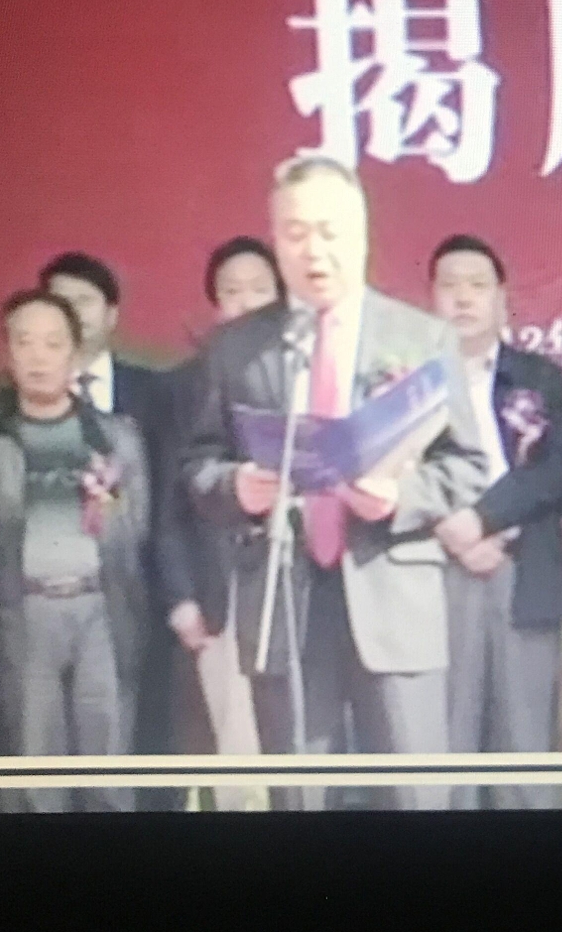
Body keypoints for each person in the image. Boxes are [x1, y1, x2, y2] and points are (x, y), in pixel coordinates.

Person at [179, 155, 487, 810]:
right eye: (295, 234)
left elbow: (467, 465)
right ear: (275, 239)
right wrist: (237, 486)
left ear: (363, 232)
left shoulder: (421, 336)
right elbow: (199, 462)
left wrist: (401, 497)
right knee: (300, 797)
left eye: (328, 231)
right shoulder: (237, 346)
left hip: (392, 594)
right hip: (285, 598)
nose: (313, 250)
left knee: (414, 797)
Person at [0, 290, 151, 812]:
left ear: (75, 355)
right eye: (25, 342)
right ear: (7, 353)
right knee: (33, 768)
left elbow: (135, 528)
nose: (38, 357)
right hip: (23, 609)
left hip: (101, 608)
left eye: (52, 343)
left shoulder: (116, 437)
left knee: (108, 765)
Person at [429, 234, 562, 809]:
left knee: (523, 751)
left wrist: (486, 519)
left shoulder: (539, 377)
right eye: (450, 285)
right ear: (431, 297)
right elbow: (398, 472)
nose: (463, 297)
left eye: (477, 285)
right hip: (440, 570)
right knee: (447, 746)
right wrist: (455, 532)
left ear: (501, 298)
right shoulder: (409, 379)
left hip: (524, 570)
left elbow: (557, 468)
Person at [40, 251, 182, 777]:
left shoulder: (157, 393)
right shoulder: (15, 400)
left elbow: (171, 492)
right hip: (48, 596)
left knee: (142, 737)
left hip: (140, 588)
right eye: (59, 302)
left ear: (112, 313)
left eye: (84, 301)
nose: (72, 313)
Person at [160, 237, 283, 810]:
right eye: (232, 291)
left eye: (260, 289)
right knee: (239, 759)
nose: (246, 302)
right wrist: (182, 595)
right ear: (215, 303)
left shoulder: (307, 370)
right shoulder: (187, 384)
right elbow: (170, 499)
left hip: (303, 591)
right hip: (222, 591)